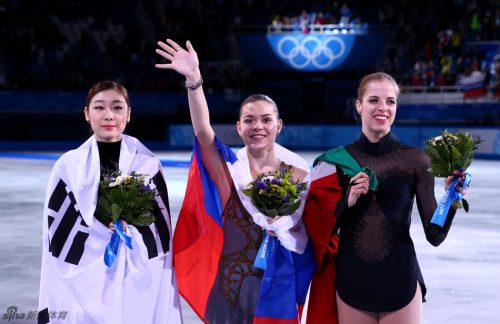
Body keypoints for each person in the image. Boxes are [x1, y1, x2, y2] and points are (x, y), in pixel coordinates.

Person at [155, 39, 315, 323]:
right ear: (238, 126)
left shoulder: (299, 175)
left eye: (266, 120)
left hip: (278, 289)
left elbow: (309, 235)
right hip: (230, 289)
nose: (258, 127)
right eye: (249, 120)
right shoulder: (229, 171)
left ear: (278, 126)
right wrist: (194, 81)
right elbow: (203, 133)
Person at [304, 72, 461, 324]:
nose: (383, 108)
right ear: (359, 105)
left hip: (400, 280)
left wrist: (451, 199)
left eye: (390, 101)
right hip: (352, 283)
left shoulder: (417, 161)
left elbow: (435, 235)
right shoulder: (335, 163)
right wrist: (347, 202)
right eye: (374, 100)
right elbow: (320, 234)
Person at [38, 80, 183, 323]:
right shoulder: (67, 166)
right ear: (87, 113)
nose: (109, 115)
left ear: (128, 114)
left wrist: (131, 233)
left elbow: (160, 234)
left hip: (136, 276)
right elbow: (59, 235)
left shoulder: (147, 163)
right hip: (84, 276)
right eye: (99, 107)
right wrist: (102, 235)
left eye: (117, 107)